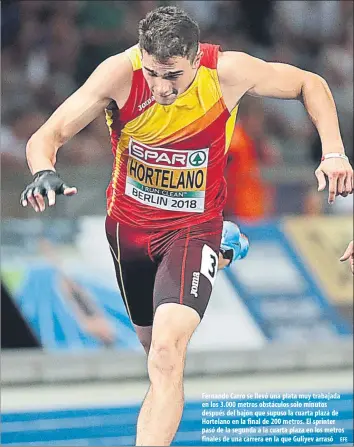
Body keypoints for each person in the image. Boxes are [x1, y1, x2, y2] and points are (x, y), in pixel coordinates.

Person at [20, 6, 353, 446]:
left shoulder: (229, 72)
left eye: (173, 76)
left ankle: (214, 242)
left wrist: (332, 152)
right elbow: (49, 134)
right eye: (155, 74)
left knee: (166, 354)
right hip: (128, 234)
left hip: (191, 229)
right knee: (151, 352)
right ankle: (225, 246)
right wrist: (43, 171)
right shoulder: (120, 73)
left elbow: (311, 83)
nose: (161, 88)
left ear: (197, 59)